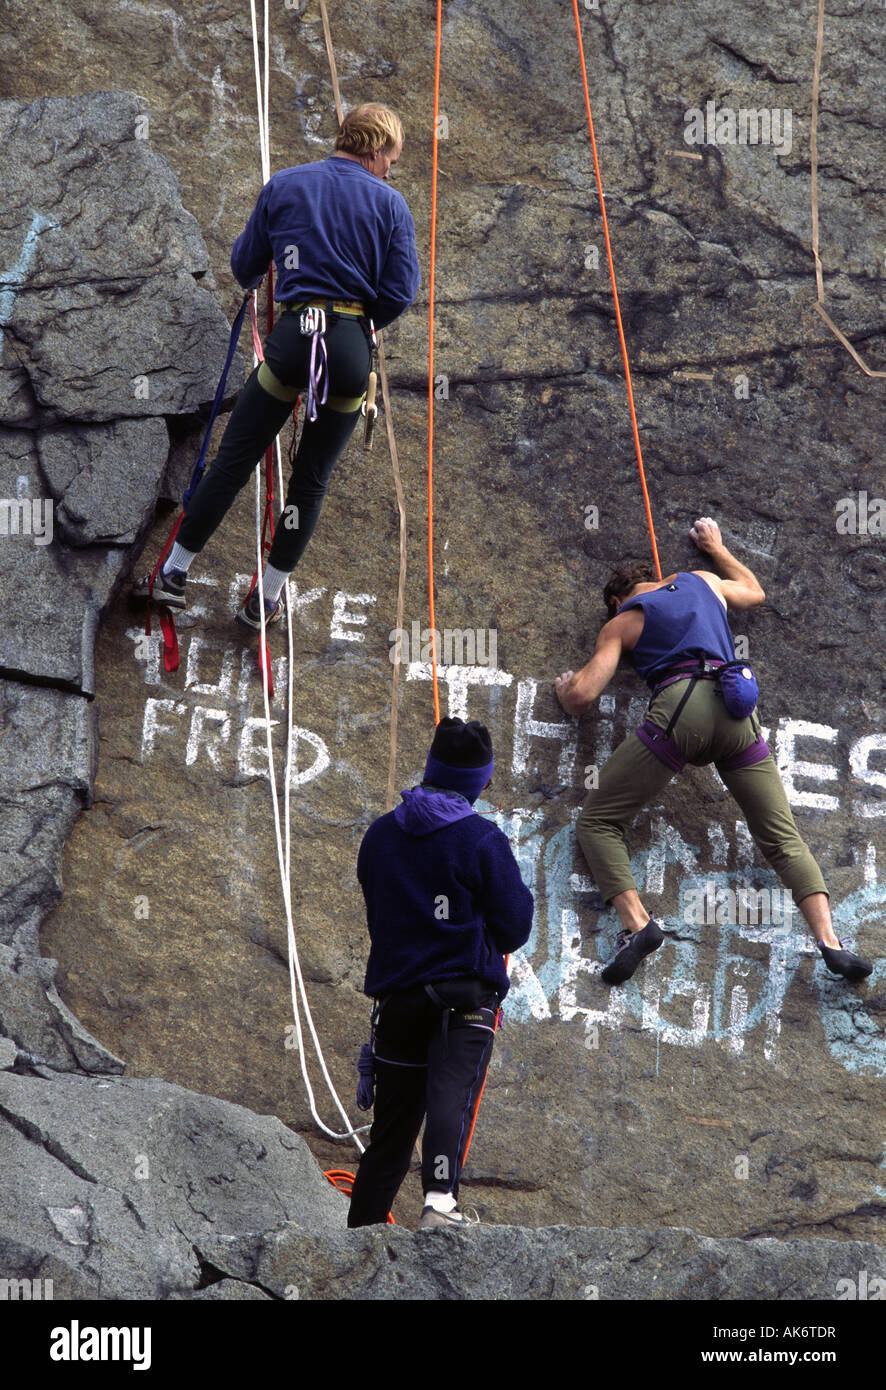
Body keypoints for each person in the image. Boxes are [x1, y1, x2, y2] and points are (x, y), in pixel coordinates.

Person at [134, 102, 420, 629]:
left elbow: (245, 266)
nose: (389, 172)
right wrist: (357, 322)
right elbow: (401, 291)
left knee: (235, 460)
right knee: (311, 480)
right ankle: (264, 600)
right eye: (390, 161)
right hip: (351, 351)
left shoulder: (286, 185)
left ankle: (173, 574)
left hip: (295, 337)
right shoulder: (391, 205)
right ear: (377, 150)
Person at [554, 516, 873, 987]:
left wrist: (565, 689)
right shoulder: (701, 581)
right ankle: (832, 942)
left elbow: (583, 696)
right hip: (737, 707)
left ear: (617, 600)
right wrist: (716, 546)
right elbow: (753, 592)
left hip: (683, 712)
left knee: (598, 821)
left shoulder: (624, 619)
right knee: (782, 838)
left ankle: (638, 925)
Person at [348, 718, 534, 1230]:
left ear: (430, 768)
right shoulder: (481, 839)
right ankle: (439, 1204)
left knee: (390, 1130)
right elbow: (515, 926)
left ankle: (360, 1231)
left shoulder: (381, 835)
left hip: (398, 1001)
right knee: (450, 1093)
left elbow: (380, 917)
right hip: (462, 996)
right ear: (481, 783)